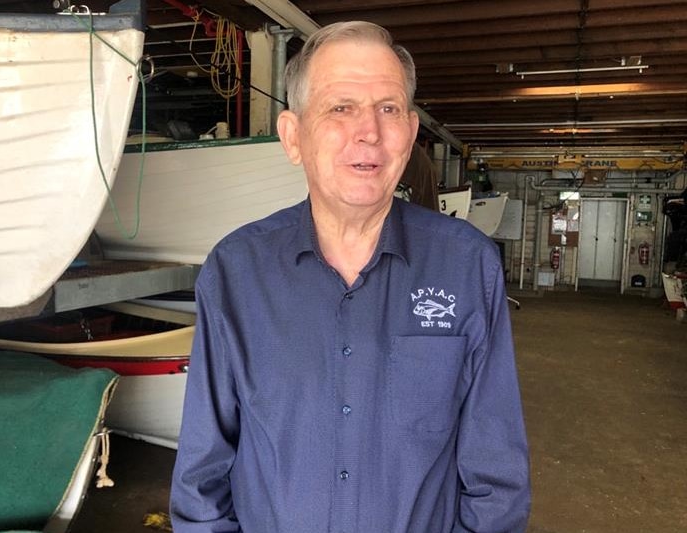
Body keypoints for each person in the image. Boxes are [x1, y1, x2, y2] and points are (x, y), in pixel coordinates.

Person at [170, 20, 530, 532]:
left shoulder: (468, 266)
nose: (369, 131)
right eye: (341, 108)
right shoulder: (236, 272)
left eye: (388, 109)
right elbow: (202, 473)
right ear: (293, 137)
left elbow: (496, 473)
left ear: (408, 134)